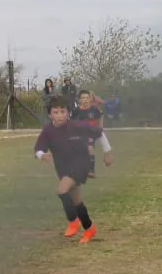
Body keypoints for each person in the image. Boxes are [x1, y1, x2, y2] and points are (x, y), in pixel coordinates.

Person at [33, 96, 113, 244]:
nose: (59, 115)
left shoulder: (77, 126)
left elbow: (100, 133)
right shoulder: (48, 130)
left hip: (81, 164)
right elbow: (38, 149)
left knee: (62, 190)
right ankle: (89, 228)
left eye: (62, 111)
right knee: (77, 201)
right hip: (62, 168)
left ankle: (73, 221)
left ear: (68, 113)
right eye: (56, 112)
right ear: (50, 115)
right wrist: (42, 155)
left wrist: (107, 153)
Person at [71, 90, 104, 176]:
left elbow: (99, 120)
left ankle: (91, 171)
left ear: (90, 99)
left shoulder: (94, 110)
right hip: (78, 134)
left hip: (90, 134)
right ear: (79, 100)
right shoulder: (76, 111)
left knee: (89, 149)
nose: (85, 100)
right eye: (83, 98)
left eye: (86, 98)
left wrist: (99, 128)